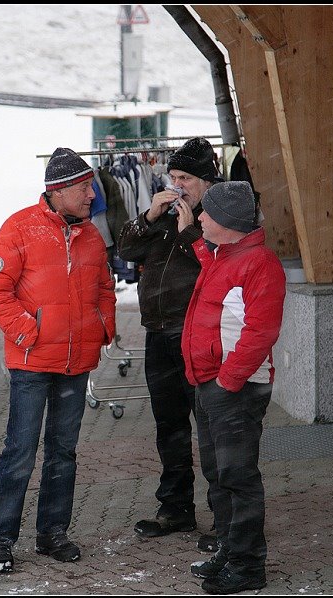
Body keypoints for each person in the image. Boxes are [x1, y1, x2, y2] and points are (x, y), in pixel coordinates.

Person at [0, 147, 116, 573]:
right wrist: (30, 333)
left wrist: (102, 330)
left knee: (64, 452)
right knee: (20, 451)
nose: (91, 195)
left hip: (77, 363)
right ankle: (0, 538)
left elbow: (105, 289)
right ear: (57, 191)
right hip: (32, 363)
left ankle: (52, 532)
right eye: (83, 188)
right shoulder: (19, 228)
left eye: (90, 186)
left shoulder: (91, 234)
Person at [181, 181, 285, 594]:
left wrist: (228, 381)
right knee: (219, 474)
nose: (201, 218)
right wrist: (194, 239)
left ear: (228, 222)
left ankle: (247, 566)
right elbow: (213, 270)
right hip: (212, 385)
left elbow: (261, 332)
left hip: (235, 390)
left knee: (239, 478)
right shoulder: (227, 255)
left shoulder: (260, 264)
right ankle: (229, 549)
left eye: (207, 213)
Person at [116, 137, 220, 544]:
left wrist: (187, 229)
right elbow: (125, 247)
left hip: (196, 336)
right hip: (158, 334)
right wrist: (148, 214)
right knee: (169, 427)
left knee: (210, 428)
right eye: (173, 177)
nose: (178, 186)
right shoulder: (163, 213)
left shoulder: (218, 216)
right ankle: (176, 509)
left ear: (206, 182)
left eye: (187, 178)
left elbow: (212, 266)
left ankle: (224, 516)